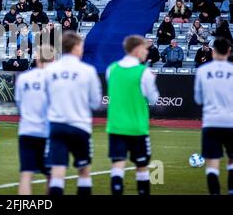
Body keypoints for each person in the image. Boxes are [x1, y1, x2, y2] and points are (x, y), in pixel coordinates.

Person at [45, 32, 102, 195]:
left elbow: (45, 98)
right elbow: (95, 101)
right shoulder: (87, 70)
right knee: (83, 170)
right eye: (81, 46)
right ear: (76, 47)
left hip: (56, 125)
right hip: (79, 125)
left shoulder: (50, 70)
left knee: (57, 171)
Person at [106, 35, 159, 195]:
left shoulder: (112, 69)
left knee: (117, 166)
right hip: (137, 128)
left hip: (116, 126)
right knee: (142, 168)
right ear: (136, 50)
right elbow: (153, 99)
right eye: (144, 49)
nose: (146, 52)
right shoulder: (144, 72)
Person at [194, 38, 233, 195]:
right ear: (229, 51)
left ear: (213, 51)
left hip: (211, 122)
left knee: (212, 164)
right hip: (231, 122)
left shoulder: (202, 71)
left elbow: (198, 99)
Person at [15, 45, 55, 195]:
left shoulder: (23, 78)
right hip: (48, 132)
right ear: (53, 58)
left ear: (37, 57)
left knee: (26, 174)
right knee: (51, 176)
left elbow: (19, 103)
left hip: (26, 130)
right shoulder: (55, 79)